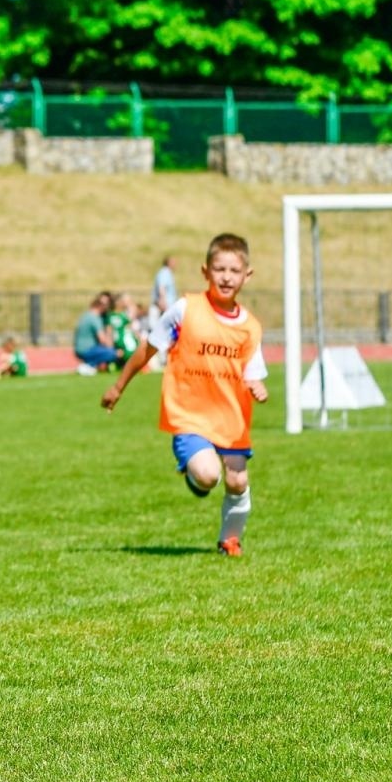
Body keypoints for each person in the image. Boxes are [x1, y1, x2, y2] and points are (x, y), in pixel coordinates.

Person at [101, 233, 268, 557]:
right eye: (219, 269)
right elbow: (148, 348)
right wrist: (118, 386)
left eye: (234, 271)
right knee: (208, 477)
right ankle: (195, 474)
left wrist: (258, 386)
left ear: (247, 275)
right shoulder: (185, 310)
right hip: (189, 415)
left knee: (236, 481)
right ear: (205, 271)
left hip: (230, 419)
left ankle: (229, 539)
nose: (226, 277)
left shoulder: (251, 327)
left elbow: (253, 373)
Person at [73, 292, 119, 374]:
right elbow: (103, 340)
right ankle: (89, 365)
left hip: (79, 350)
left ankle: (91, 366)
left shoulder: (86, 315)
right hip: (87, 350)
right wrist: (109, 330)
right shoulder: (95, 318)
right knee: (113, 353)